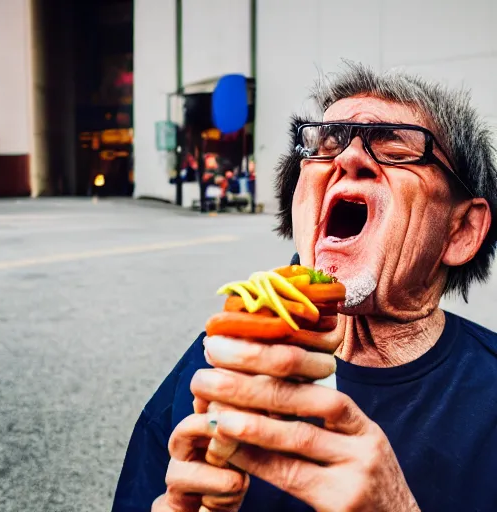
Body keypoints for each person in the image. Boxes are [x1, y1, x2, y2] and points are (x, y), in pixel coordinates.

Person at [112, 63, 497, 512]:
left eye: (395, 147)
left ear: (461, 231)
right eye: (326, 143)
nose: (348, 158)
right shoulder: (218, 361)